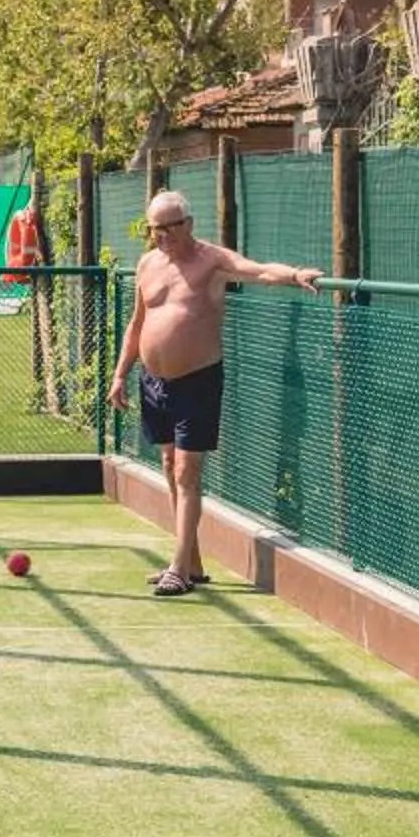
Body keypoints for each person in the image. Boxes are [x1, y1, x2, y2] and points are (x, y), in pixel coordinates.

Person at [109, 186, 321, 595]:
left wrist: (295, 275)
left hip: (197, 379)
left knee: (188, 471)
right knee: (170, 466)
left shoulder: (212, 261)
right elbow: (136, 325)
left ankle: (178, 568)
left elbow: (257, 270)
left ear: (188, 224)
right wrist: (121, 374)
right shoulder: (148, 264)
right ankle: (191, 561)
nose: (162, 237)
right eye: (155, 230)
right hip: (154, 382)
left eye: (169, 228)